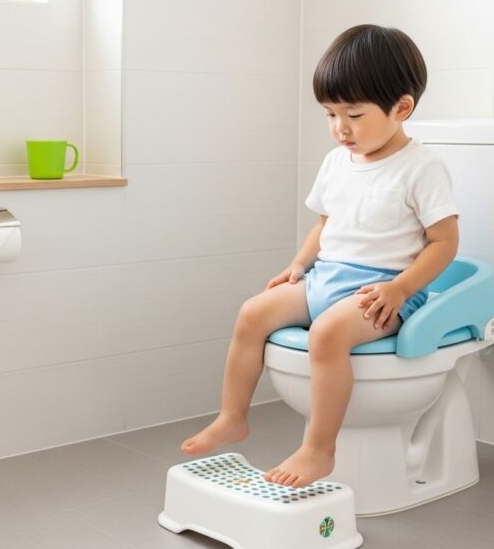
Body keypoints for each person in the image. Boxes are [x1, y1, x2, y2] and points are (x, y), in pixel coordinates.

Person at [181, 25, 460, 488]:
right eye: (330, 114)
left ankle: (319, 448)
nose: (340, 128)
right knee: (252, 313)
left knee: (327, 336)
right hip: (327, 277)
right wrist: (299, 264)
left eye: (353, 114)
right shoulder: (337, 162)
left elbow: (444, 242)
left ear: (402, 108)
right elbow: (326, 224)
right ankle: (232, 416)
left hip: (383, 290)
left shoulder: (421, 168)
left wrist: (401, 287)